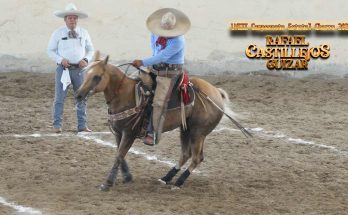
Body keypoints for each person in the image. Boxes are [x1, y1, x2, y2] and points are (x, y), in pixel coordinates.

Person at [132, 8, 191, 146]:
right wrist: (147, 66)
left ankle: (152, 133)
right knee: (133, 81)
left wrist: (142, 62)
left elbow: (162, 56)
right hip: (155, 67)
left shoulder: (178, 41)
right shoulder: (154, 33)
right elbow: (155, 51)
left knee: (159, 102)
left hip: (170, 73)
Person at [47, 3, 94, 133]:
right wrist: (60, 60)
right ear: (65, 20)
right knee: (59, 98)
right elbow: (50, 51)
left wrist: (86, 59)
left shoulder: (84, 33)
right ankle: (57, 125)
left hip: (80, 70)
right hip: (64, 70)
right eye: (70, 18)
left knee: (81, 97)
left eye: (74, 18)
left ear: (77, 19)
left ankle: (82, 125)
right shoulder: (58, 33)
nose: (72, 20)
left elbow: (91, 49)